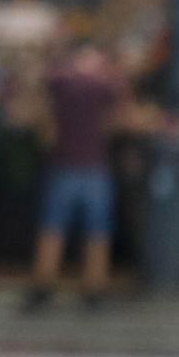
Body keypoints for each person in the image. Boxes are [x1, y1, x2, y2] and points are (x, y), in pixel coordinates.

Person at [23, 39, 131, 311]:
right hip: (94, 166)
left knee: (53, 227)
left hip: (63, 164)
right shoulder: (104, 84)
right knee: (97, 229)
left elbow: (39, 97)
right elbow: (121, 114)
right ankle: (94, 285)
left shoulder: (61, 80)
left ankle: (43, 283)